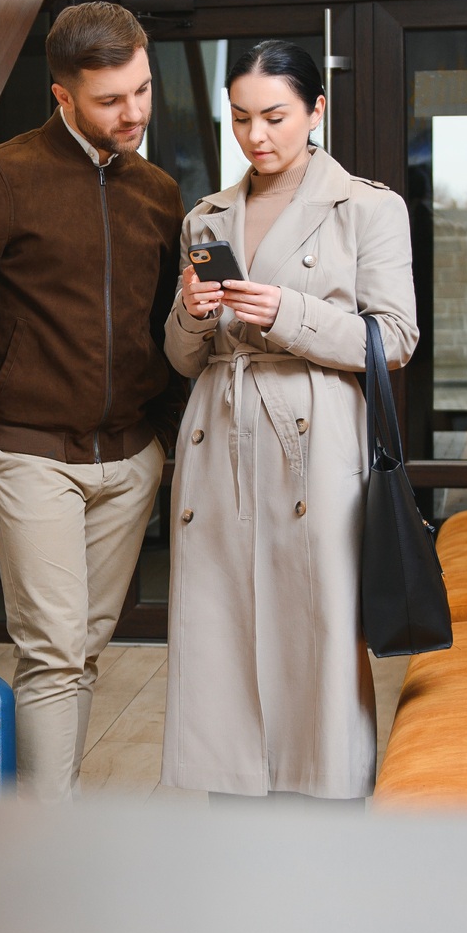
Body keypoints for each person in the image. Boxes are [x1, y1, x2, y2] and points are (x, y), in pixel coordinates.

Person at [0, 1, 187, 803]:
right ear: (62, 96)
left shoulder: (160, 194)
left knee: (83, 648)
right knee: (55, 650)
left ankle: (45, 810)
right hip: (30, 450)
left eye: (141, 90)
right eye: (109, 100)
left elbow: (166, 325)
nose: (132, 113)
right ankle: (46, 838)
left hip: (131, 458)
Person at [162, 40, 418, 801]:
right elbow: (181, 360)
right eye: (240, 118)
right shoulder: (205, 217)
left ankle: (325, 791)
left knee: (317, 621)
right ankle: (229, 784)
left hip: (314, 435)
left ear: (316, 111)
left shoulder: (368, 207)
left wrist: (290, 314)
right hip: (219, 430)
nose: (256, 136)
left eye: (275, 116)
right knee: (220, 629)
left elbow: (395, 338)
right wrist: (190, 310)